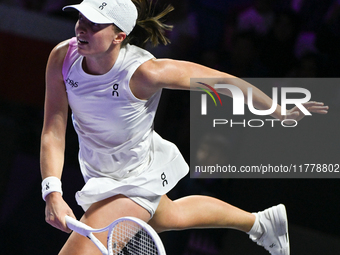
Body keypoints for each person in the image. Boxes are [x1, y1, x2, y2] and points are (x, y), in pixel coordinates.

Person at [40, 0, 328, 254]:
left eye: (94, 24)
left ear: (119, 36)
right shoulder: (63, 58)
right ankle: (261, 223)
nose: (81, 28)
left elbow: (222, 82)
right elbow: (54, 128)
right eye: (81, 18)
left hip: (135, 180)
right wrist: (52, 191)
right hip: (98, 172)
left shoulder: (144, 73)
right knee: (171, 216)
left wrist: (279, 111)